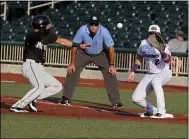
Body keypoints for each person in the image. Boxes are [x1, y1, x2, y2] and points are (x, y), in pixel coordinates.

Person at [10, 15, 91, 112]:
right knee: (39, 87)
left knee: (57, 86)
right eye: (47, 25)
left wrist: (79, 45)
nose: (49, 27)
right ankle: (17, 106)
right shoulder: (31, 36)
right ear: (41, 27)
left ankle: (33, 99)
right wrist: (47, 32)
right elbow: (39, 36)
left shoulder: (46, 35)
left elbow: (61, 41)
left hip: (39, 67)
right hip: (30, 65)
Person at [58, 15, 123, 108]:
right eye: (91, 24)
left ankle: (116, 102)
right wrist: (72, 63)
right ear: (88, 24)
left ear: (99, 25)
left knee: (111, 73)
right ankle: (66, 98)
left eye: (95, 25)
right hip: (84, 53)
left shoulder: (104, 31)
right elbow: (75, 45)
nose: (93, 27)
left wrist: (112, 65)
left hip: (100, 54)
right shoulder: (82, 30)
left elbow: (111, 48)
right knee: (72, 70)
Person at [128, 25, 173, 118]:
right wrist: (133, 71)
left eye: (155, 34)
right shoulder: (143, 43)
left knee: (156, 82)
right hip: (150, 74)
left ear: (159, 35)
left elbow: (168, 60)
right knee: (136, 98)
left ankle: (161, 111)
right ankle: (152, 110)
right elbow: (139, 57)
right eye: (151, 33)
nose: (152, 35)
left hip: (164, 72)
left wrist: (162, 52)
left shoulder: (163, 45)